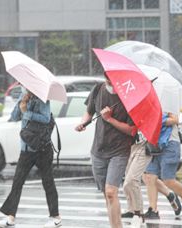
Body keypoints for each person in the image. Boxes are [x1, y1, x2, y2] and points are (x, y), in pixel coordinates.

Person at [0, 87, 61, 228]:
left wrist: (27, 112)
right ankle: (10, 217)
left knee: (47, 182)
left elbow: (46, 118)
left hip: (42, 148)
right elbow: (13, 117)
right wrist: (21, 103)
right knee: (17, 182)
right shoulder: (23, 97)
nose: (24, 88)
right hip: (26, 148)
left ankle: (55, 217)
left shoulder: (42, 99)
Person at [75, 77, 136, 228]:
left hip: (119, 150)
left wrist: (109, 119)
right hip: (98, 149)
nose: (110, 81)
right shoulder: (97, 89)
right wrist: (83, 123)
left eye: (113, 78)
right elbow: (89, 112)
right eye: (107, 77)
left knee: (111, 192)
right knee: (106, 195)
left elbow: (132, 130)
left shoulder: (128, 96)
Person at [142, 112, 182, 219]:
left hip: (170, 143)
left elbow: (175, 119)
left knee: (168, 180)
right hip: (153, 143)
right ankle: (153, 210)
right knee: (149, 177)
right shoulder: (148, 102)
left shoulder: (170, 97)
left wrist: (156, 120)